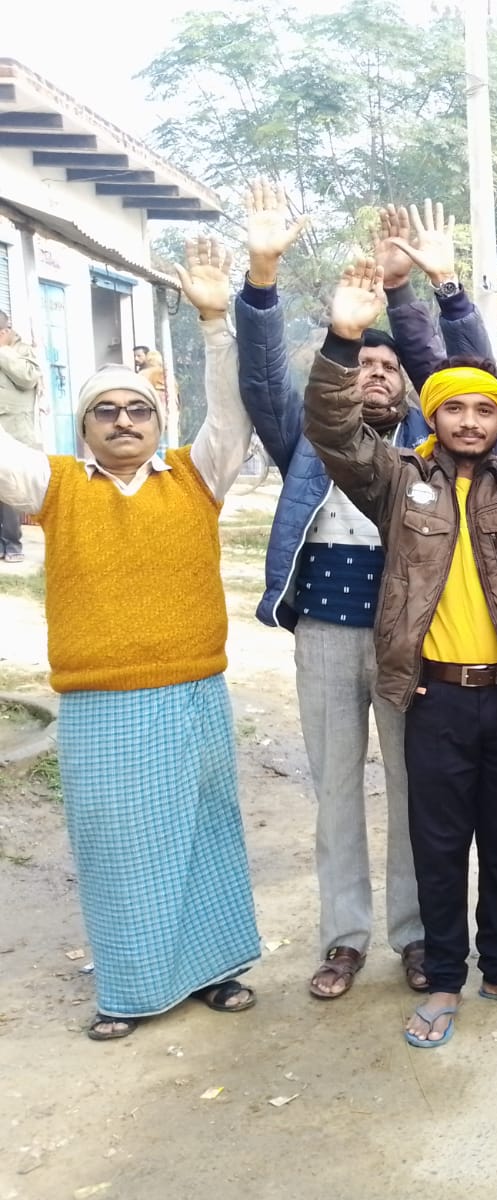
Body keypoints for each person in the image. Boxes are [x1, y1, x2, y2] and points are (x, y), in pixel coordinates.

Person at [303, 252, 497, 1048]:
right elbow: (331, 430)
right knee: (437, 848)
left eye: (483, 410)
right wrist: (343, 339)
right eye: (454, 409)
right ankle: (442, 979)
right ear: (431, 417)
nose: (469, 421)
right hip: (433, 697)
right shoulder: (395, 480)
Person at [0, 238, 260, 1040]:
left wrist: (215, 323)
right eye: (105, 411)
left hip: (191, 692)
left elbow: (233, 414)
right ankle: (129, 989)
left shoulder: (195, 475)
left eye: (137, 409)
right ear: (84, 425)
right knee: (117, 846)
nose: (123, 421)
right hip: (102, 704)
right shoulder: (55, 486)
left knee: (204, 831)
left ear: (157, 420)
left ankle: (215, 969)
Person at [235, 183, 482, 1000]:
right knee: (335, 791)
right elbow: (262, 381)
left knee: (415, 793)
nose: (376, 375)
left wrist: (427, 288)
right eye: (363, 364)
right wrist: (262, 280)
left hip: (407, 637)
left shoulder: (429, 446)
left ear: (409, 390)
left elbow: (467, 375)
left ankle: (417, 936)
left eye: (389, 367)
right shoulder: (309, 438)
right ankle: (343, 939)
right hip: (324, 635)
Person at [0, 309, 44, 562]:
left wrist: (3, 351)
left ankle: (12, 543)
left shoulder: (22, 351)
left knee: (9, 489)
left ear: (4, 332)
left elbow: (28, 378)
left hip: (14, 431)